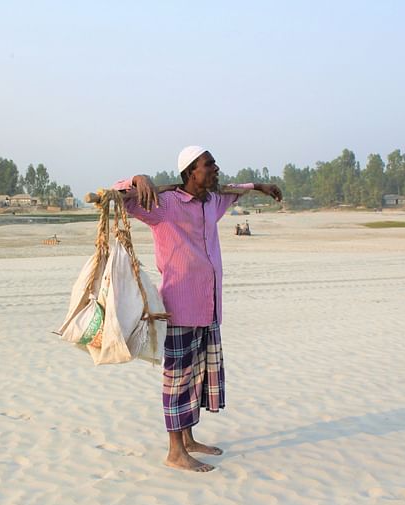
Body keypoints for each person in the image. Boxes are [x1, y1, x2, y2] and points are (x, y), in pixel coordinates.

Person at [113, 146, 282, 472]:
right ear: (191, 171)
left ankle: (188, 439)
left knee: (195, 378)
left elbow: (235, 192)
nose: (216, 168)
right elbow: (119, 198)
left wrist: (260, 186)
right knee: (177, 379)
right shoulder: (164, 205)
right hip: (179, 307)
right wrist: (135, 179)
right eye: (209, 164)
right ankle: (176, 451)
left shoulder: (213, 202)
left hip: (208, 306)